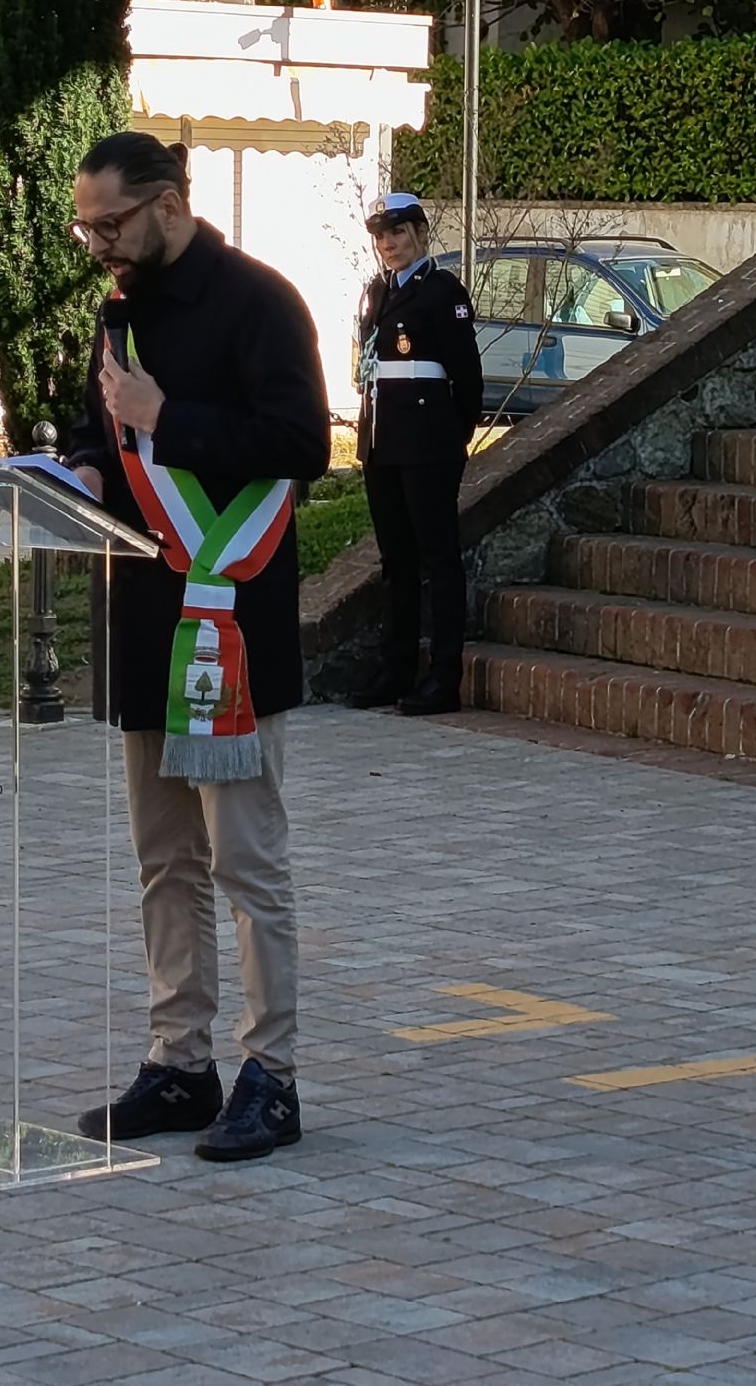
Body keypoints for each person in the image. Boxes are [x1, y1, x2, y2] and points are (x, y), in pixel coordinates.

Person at [65, 131, 330, 1163]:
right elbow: (102, 431)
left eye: (111, 224)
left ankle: (273, 1075)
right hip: (144, 616)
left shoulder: (260, 301)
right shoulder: (119, 312)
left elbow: (301, 442)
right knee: (163, 860)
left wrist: (169, 416)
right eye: (87, 229)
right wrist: (86, 469)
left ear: (170, 204)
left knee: (247, 862)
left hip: (230, 625)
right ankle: (180, 1063)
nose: (99, 244)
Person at [349, 192, 483, 716]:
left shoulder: (442, 291)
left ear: (421, 234)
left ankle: (444, 678)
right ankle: (396, 667)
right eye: (382, 235)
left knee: (438, 559)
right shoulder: (376, 292)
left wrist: (454, 436)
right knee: (396, 561)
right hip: (382, 443)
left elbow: (467, 378)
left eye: (398, 232)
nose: (389, 243)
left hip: (428, 445)